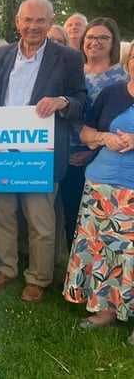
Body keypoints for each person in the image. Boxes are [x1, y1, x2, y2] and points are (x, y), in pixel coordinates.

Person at [0, 0, 87, 303]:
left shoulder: (67, 57)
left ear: (51, 22)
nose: (33, 26)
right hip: (0, 148)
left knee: (40, 218)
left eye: (41, 20)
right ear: (17, 22)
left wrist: (62, 102)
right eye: (28, 20)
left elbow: (82, 99)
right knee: (2, 212)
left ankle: (39, 277)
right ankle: (7, 267)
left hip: (40, 150)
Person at [63, 43, 134, 345]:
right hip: (101, 185)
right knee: (102, 249)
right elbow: (85, 132)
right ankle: (104, 307)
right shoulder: (112, 93)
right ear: (128, 61)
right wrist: (103, 137)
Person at [58, 17, 129, 250]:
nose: (95, 42)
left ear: (113, 42)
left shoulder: (123, 78)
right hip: (64, 150)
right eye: (90, 37)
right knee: (71, 215)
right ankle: (74, 266)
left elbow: (119, 124)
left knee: (101, 219)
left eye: (102, 38)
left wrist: (92, 153)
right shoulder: (72, 71)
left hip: (101, 155)